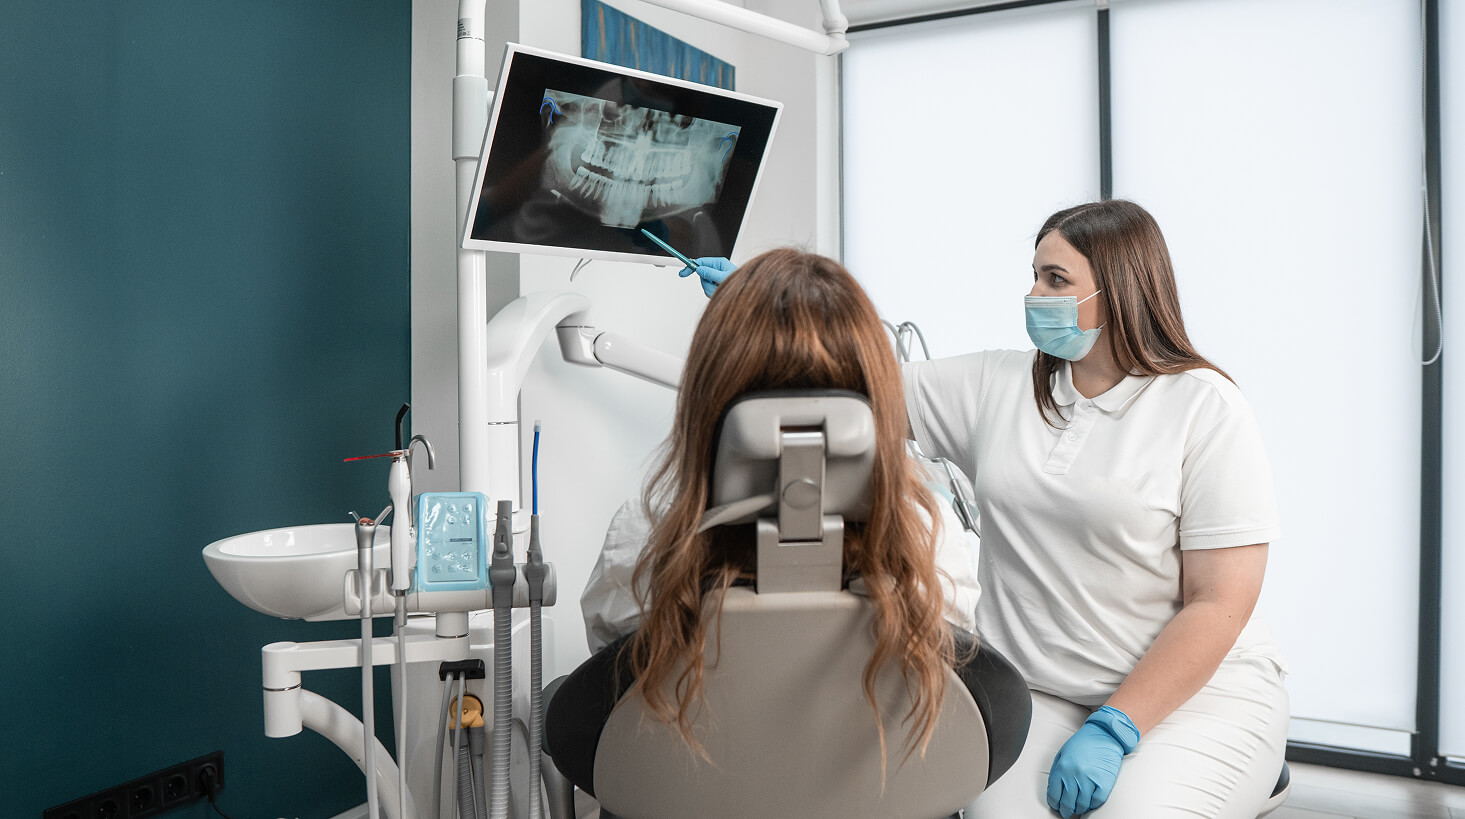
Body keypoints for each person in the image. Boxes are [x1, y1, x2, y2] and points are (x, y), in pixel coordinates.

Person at [676, 201, 1288, 819]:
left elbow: (1220, 601)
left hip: (1191, 701)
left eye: (1055, 280)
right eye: (1034, 274)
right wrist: (766, 306)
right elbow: (860, 378)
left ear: (1118, 293)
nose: (1033, 293)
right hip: (1041, 694)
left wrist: (1118, 726)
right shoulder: (1001, 384)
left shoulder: (1203, 407)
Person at [546, 248, 1032, 804]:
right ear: (872, 396)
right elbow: (959, 681)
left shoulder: (645, 534)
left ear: (712, 393)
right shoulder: (931, 536)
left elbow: (615, 677)